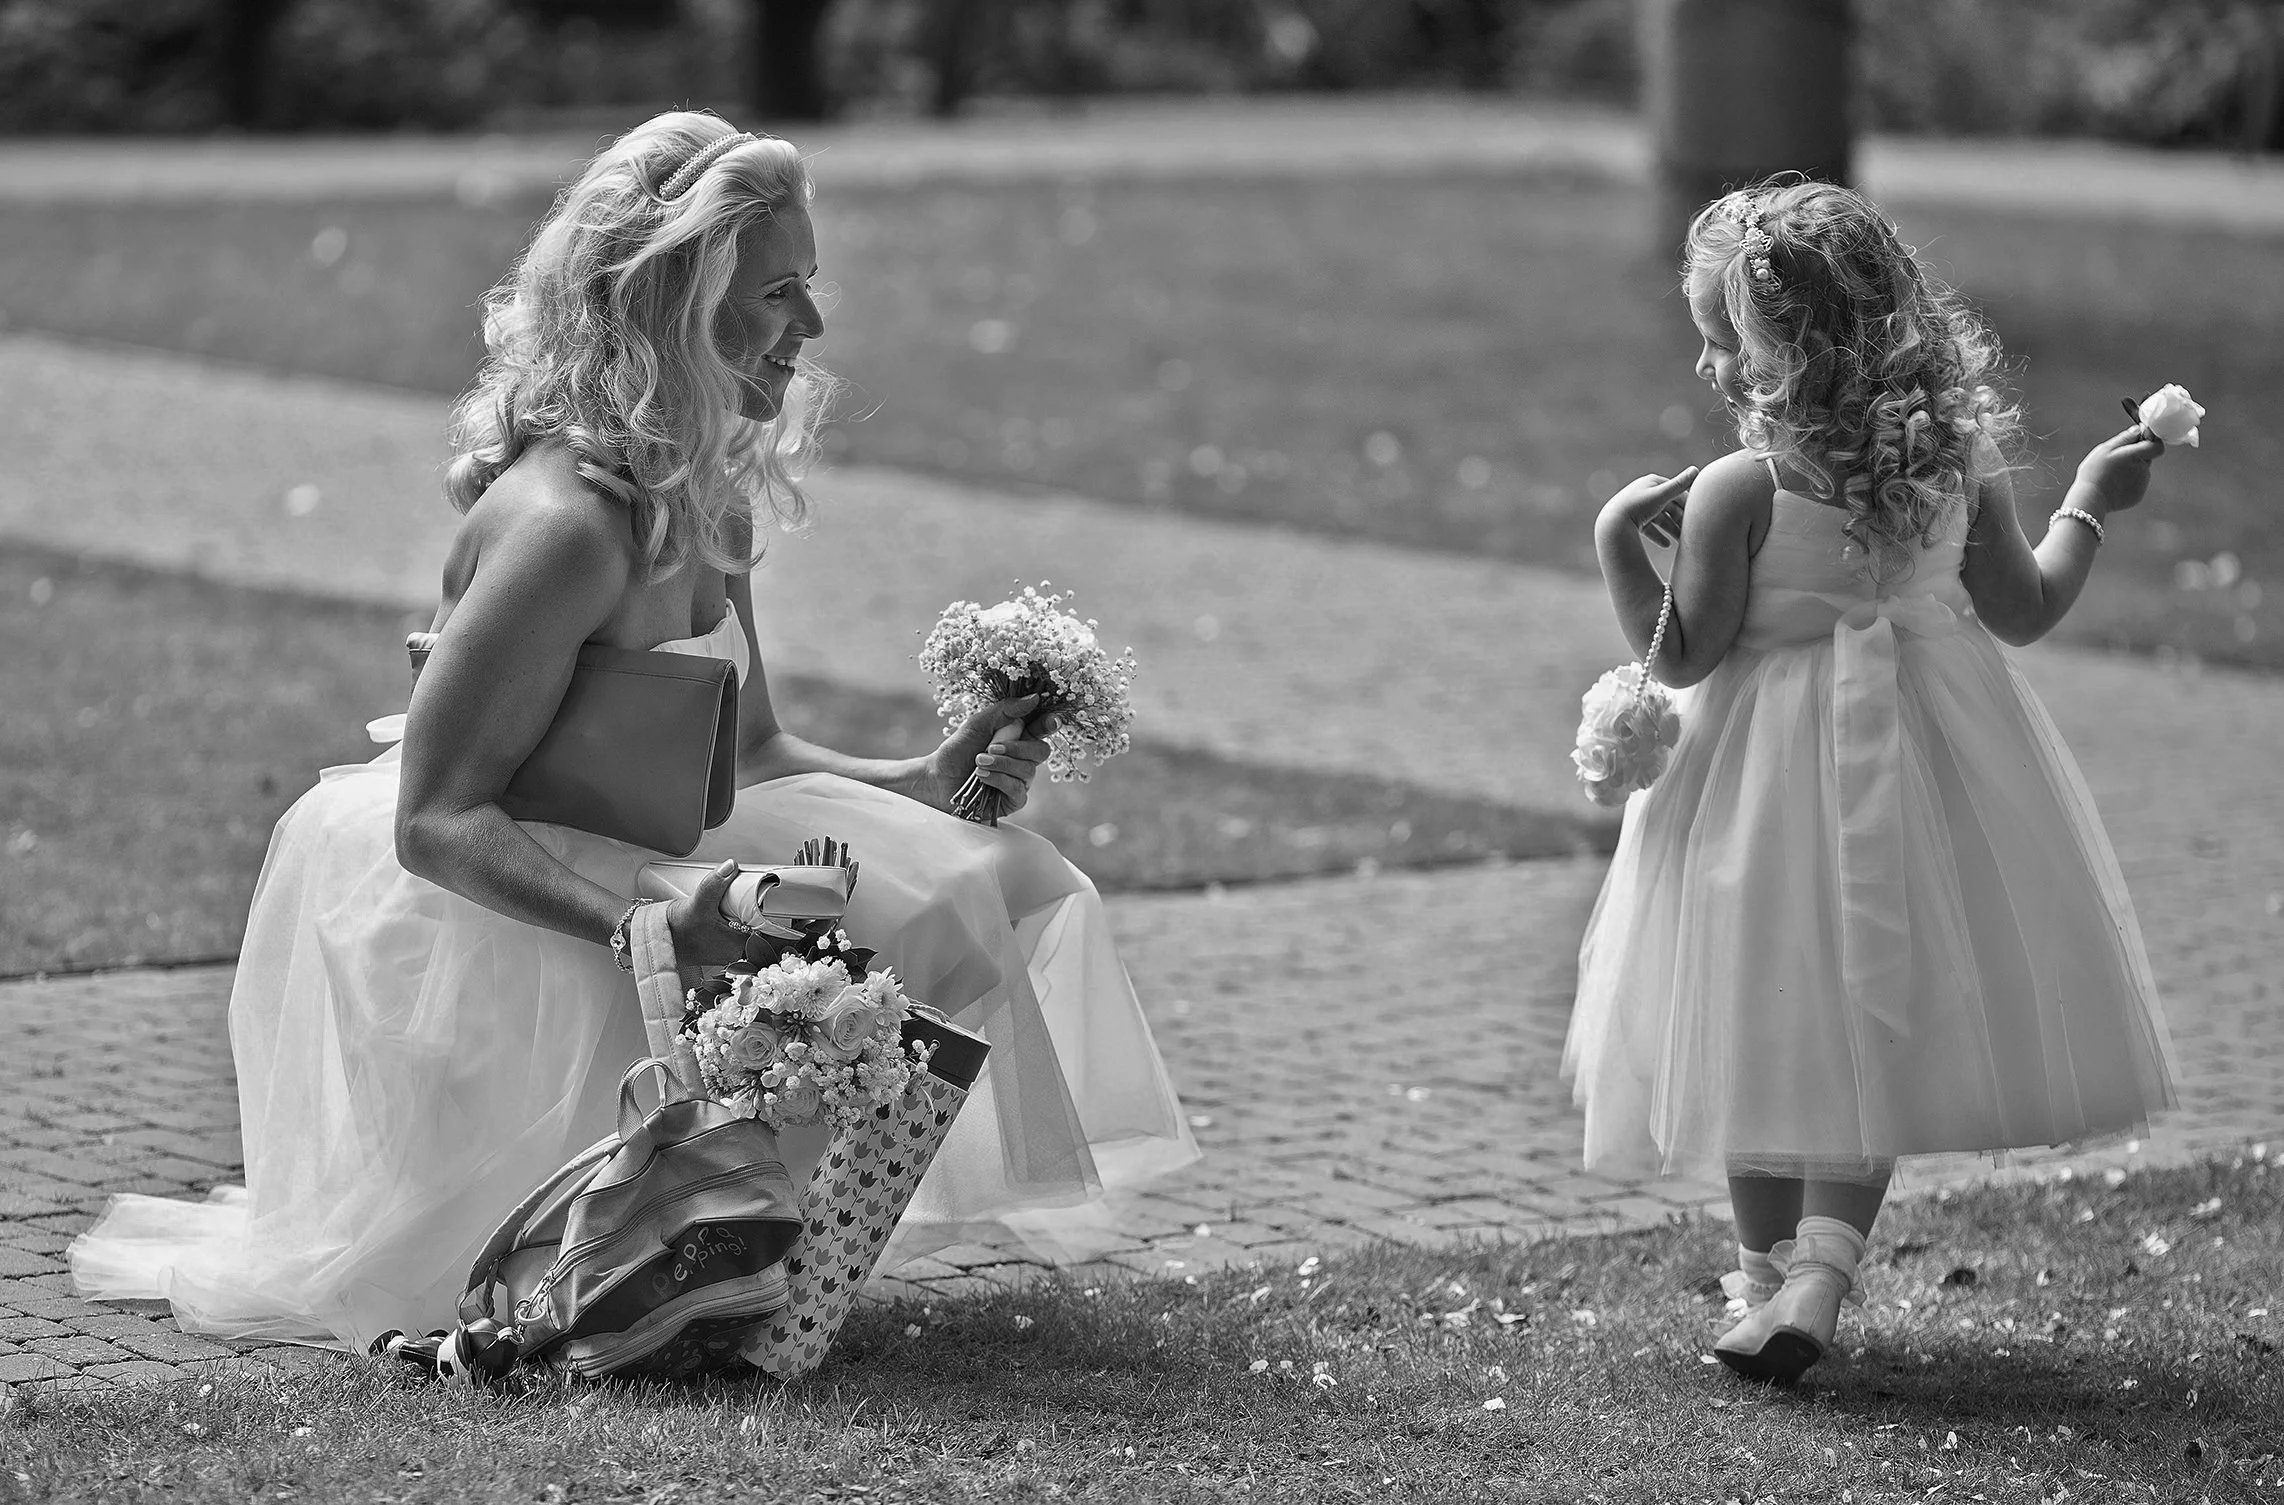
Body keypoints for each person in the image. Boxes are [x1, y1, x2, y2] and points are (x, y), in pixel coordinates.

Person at [68, 112, 1197, 1353]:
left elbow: (754, 748)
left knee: (986, 873)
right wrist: (648, 923)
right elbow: (436, 820)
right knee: (790, 964)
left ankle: (741, 1248)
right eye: (778, 290)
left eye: (808, 284)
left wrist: (927, 778)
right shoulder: (567, 528)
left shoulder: (700, 489)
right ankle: (655, 1248)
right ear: (679, 303)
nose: (812, 326)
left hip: (662, 836)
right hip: (513, 889)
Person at [1561, 176, 2177, 1383]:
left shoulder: (1743, 485)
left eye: (1719, 338)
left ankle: (1759, 1282)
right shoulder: (1954, 460)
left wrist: (1612, 545)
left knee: (1753, 1013)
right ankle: (1814, 1280)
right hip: (1925, 751)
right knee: (1875, 1003)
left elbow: (1682, 651)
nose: (1707, 366)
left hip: (1757, 776)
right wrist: (2091, 503)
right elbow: (2025, 606)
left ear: (1780, 347)